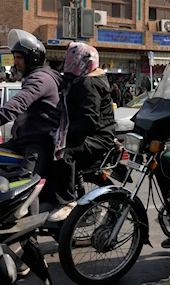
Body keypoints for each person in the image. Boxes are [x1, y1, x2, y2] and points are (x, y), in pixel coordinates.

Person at [0, 29, 62, 180]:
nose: (15, 62)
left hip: (37, 144)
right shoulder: (35, 77)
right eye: (14, 57)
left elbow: (19, 102)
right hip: (22, 141)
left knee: (23, 187)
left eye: (19, 57)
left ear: (32, 58)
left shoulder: (39, 79)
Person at [48, 42, 117, 221]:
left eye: (74, 59)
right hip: (91, 133)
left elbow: (89, 120)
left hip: (98, 137)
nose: (69, 62)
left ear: (84, 61)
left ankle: (67, 202)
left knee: (63, 152)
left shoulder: (89, 82)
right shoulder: (82, 79)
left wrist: (63, 137)